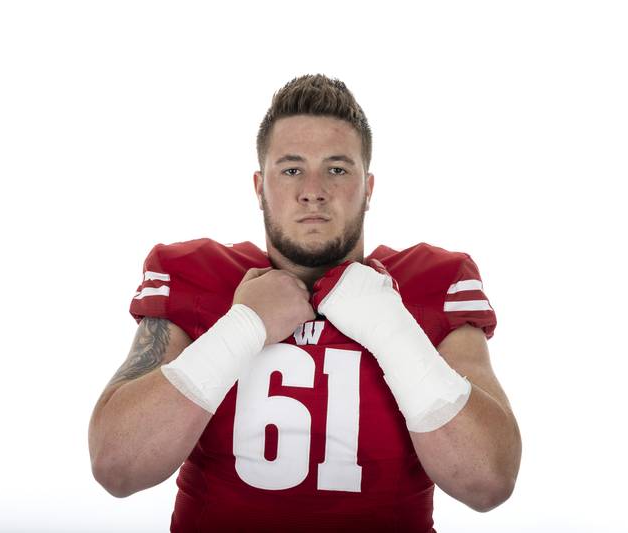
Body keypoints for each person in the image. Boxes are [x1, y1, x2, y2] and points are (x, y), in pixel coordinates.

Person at [88, 74, 522, 532]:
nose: (313, 190)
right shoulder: (196, 276)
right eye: (291, 168)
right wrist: (243, 326)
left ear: (368, 188)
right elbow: (117, 467)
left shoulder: (432, 282)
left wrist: (391, 328)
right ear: (260, 186)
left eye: (336, 169)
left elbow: (488, 483)